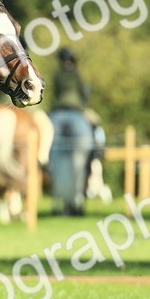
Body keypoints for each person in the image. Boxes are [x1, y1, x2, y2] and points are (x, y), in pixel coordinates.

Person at [48, 48, 93, 216]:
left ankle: (60, 203)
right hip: (73, 113)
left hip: (59, 114)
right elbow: (84, 95)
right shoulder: (77, 75)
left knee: (55, 158)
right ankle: (73, 202)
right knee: (85, 148)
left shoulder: (57, 75)